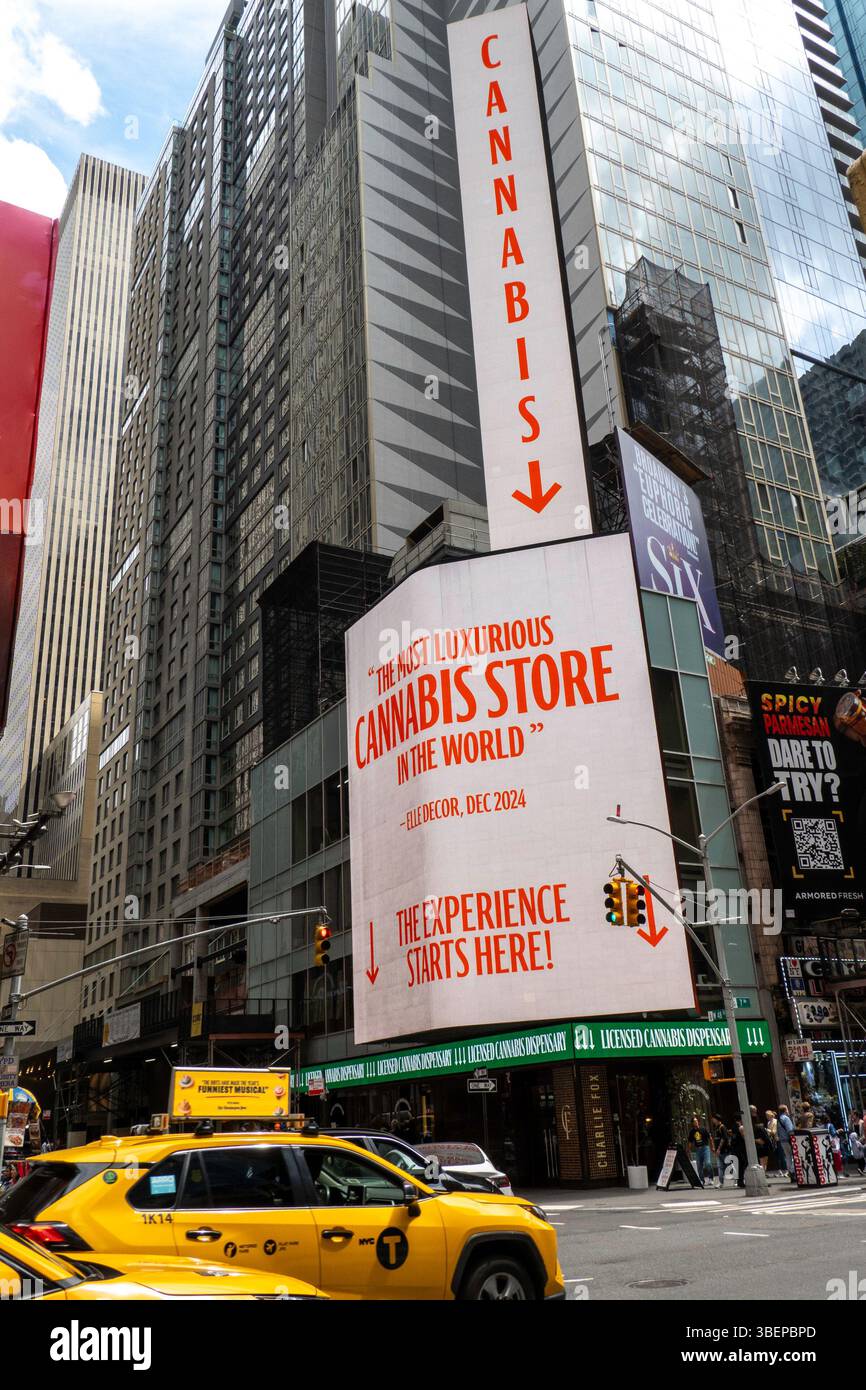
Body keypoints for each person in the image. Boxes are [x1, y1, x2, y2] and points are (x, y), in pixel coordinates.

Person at [686, 1114, 713, 1186]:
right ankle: (702, 1180)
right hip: (698, 1149)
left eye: (697, 1121)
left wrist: (712, 1147)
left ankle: (710, 1178)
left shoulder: (703, 1129)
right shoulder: (692, 1132)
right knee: (699, 1165)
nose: (696, 1122)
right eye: (694, 1121)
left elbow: (710, 1138)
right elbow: (690, 1142)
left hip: (705, 1148)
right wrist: (688, 1150)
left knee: (708, 1163)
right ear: (692, 1123)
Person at [777, 1104, 795, 1181]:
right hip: (788, 1140)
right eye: (787, 1109)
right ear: (785, 1110)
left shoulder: (778, 1119)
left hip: (782, 1141)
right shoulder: (786, 1118)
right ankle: (793, 1172)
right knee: (794, 1156)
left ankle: (790, 1172)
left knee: (787, 1157)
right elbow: (790, 1130)